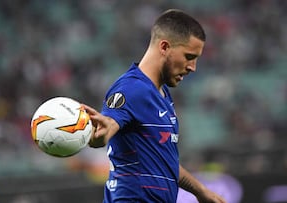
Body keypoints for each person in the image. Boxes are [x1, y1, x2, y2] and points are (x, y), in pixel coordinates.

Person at [82, 9, 226, 203]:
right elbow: (111, 122)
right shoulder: (131, 89)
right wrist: (103, 133)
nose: (193, 67)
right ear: (165, 47)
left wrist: (200, 191)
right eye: (189, 56)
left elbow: (164, 161)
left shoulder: (162, 93)